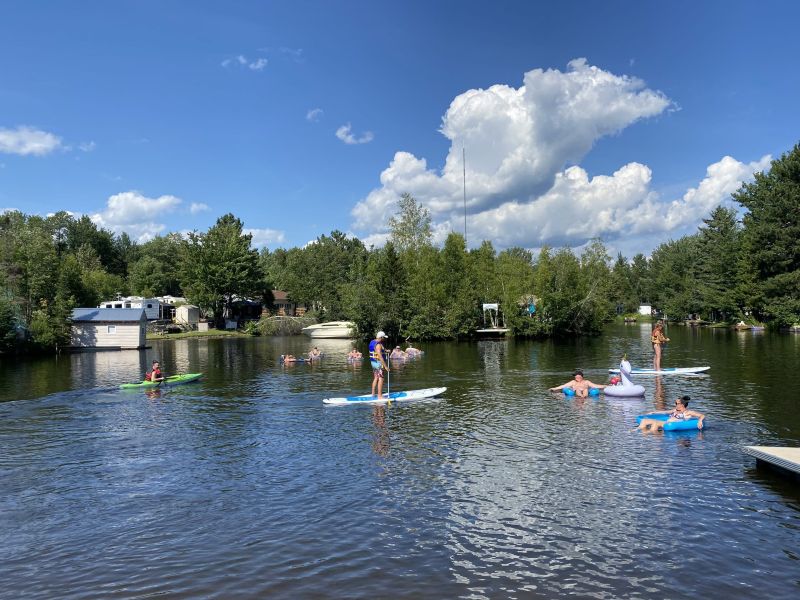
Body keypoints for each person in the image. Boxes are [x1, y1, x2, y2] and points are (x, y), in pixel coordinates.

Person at [637, 395, 705, 431]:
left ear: (682, 405)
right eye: (676, 403)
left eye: (677, 403)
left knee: (656, 423)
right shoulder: (675, 410)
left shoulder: (688, 412)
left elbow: (702, 415)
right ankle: (637, 431)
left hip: (671, 424)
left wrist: (700, 421)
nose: (676, 405)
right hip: (666, 422)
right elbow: (664, 412)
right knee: (644, 421)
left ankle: (650, 435)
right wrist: (653, 412)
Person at [369, 331, 390, 399]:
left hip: (373, 363)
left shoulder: (373, 341)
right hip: (378, 363)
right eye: (384, 337)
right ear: (381, 337)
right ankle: (380, 396)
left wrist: (386, 350)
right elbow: (380, 356)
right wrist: (386, 366)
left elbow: (381, 348)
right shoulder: (378, 345)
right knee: (381, 378)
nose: (384, 339)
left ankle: (373, 394)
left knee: (376, 378)